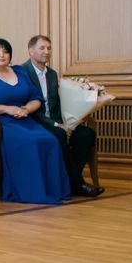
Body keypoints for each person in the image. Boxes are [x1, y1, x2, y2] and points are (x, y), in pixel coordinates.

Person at [0, 39, 70, 204]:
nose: (2, 55)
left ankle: (52, 190)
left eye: (5, 51)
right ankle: (30, 191)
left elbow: (36, 98)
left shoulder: (20, 72)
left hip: (24, 119)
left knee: (49, 140)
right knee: (28, 141)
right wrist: (7, 109)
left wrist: (27, 109)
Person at [23, 35, 103, 197]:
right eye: (42, 48)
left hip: (57, 121)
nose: (46, 52)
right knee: (59, 134)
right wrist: (56, 125)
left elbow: (57, 103)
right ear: (31, 51)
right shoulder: (23, 72)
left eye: (49, 48)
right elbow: (31, 108)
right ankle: (79, 184)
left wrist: (70, 123)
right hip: (35, 122)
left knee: (87, 134)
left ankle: (69, 180)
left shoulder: (52, 74)